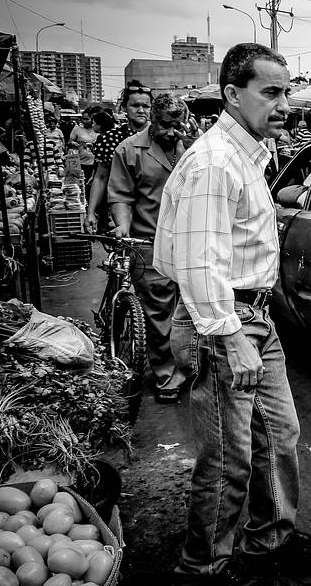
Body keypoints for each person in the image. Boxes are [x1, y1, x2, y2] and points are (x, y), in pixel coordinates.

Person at [154, 42, 311, 586]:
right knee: (229, 457)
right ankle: (206, 563)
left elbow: (233, 234)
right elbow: (200, 262)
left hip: (253, 316)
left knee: (279, 434)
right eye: (270, 93)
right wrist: (231, 337)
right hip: (224, 320)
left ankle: (268, 539)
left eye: (286, 92)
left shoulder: (249, 153)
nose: (284, 104)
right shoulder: (213, 161)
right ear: (233, 94)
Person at [108, 93, 189, 404]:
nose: (171, 132)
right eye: (166, 125)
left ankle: (189, 362)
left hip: (189, 240)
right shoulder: (129, 149)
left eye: (178, 125)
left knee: (192, 306)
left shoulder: (189, 146)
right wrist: (122, 227)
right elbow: (121, 196)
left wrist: (182, 147)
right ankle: (166, 372)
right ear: (152, 121)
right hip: (149, 241)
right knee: (158, 311)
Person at [86, 81, 152, 233]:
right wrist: (91, 212)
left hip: (153, 212)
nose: (141, 110)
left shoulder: (161, 137)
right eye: (135, 105)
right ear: (124, 108)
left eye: (146, 106)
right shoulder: (110, 138)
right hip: (118, 210)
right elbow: (100, 177)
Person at [69, 106, 102, 186]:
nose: (84, 121)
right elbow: (70, 143)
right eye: (83, 119)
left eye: (87, 119)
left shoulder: (97, 129)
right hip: (80, 164)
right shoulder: (77, 129)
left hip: (94, 164)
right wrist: (72, 143)